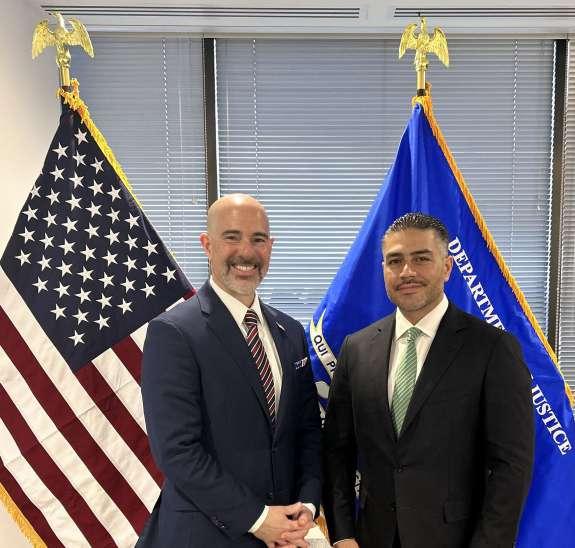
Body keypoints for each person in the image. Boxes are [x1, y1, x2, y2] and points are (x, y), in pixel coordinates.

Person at [322, 212, 534, 548]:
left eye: (421, 258)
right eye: (395, 261)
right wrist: (343, 534)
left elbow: (511, 466)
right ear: (383, 269)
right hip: (371, 538)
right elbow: (337, 452)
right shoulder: (357, 348)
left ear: (447, 267)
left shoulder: (492, 348)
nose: (407, 271)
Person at [137, 194, 321, 547]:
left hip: (287, 534)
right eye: (232, 237)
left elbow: (308, 431)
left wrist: (307, 504)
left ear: (271, 247)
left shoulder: (290, 331)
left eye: (258, 239)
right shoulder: (174, 332)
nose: (246, 252)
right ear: (207, 245)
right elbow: (177, 451)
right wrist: (258, 518)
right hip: (206, 536)